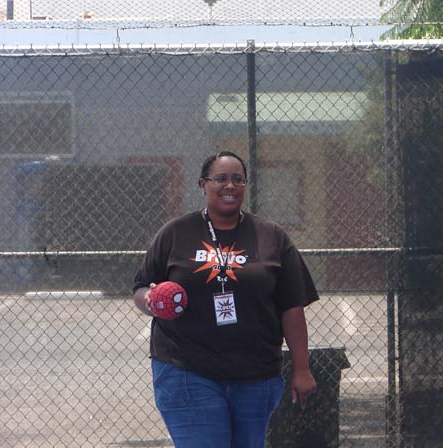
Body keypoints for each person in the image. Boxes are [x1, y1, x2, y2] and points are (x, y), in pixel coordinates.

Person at [133, 150, 318, 448]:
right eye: (220, 179)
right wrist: (151, 299)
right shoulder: (176, 233)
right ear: (203, 184)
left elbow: (292, 307)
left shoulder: (272, 236)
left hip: (256, 373)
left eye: (237, 179)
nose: (230, 186)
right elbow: (141, 288)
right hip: (186, 368)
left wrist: (302, 368)